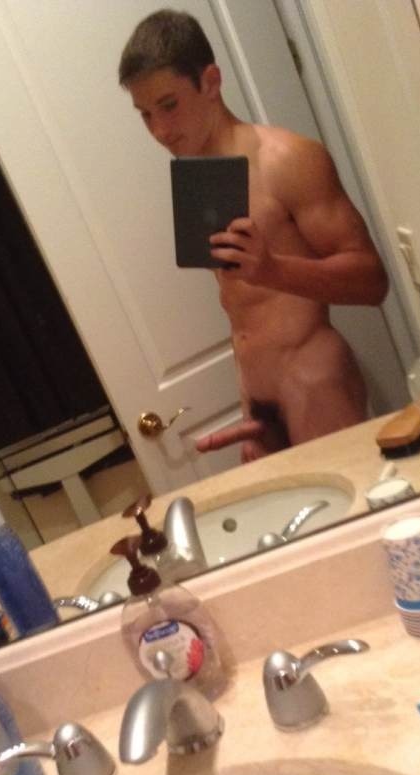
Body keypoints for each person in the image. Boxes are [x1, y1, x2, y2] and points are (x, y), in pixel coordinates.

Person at [119, 9, 389, 462]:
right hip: (258, 397)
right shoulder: (196, 177)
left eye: (169, 105)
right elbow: (243, 305)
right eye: (145, 115)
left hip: (313, 382)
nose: (160, 131)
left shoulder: (287, 159)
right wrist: (250, 401)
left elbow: (371, 281)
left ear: (210, 81)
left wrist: (274, 269)